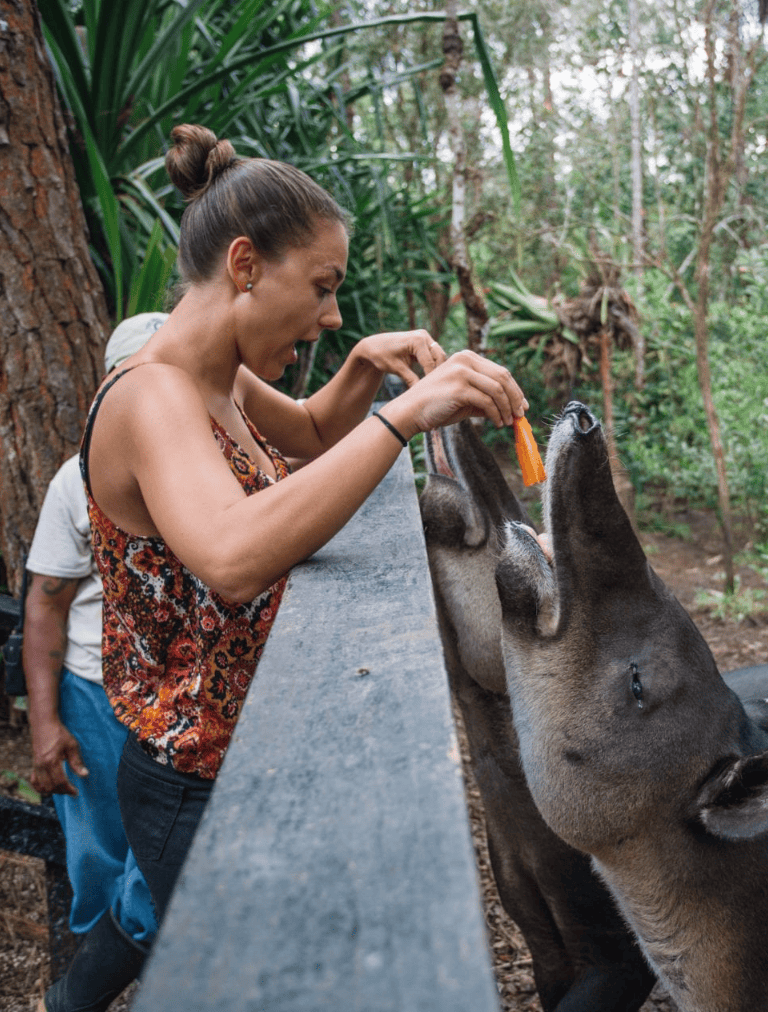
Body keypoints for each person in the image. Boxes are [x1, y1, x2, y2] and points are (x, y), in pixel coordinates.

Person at [56, 122, 528, 1008]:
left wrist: (360, 369)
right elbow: (232, 554)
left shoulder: (219, 377)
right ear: (244, 265)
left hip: (254, 751)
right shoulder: (151, 394)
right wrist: (406, 416)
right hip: (192, 780)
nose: (332, 312)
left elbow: (308, 433)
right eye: (322, 289)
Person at [25, 313, 167, 1012]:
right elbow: (45, 606)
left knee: (158, 871)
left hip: (180, 703)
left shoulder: (209, 470)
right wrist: (46, 723)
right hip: (96, 698)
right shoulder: (74, 484)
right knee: (98, 863)